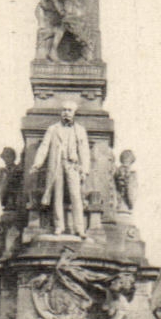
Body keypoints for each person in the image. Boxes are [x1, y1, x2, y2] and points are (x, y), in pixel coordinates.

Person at [31, 99, 91, 236]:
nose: (66, 113)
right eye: (64, 110)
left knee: (76, 195)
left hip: (73, 165)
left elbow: (84, 151)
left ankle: (79, 228)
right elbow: (44, 146)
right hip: (56, 164)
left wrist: (85, 169)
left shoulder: (80, 130)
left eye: (69, 110)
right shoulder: (53, 129)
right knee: (57, 195)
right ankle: (59, 226)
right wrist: (37, 162)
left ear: (74, 113)